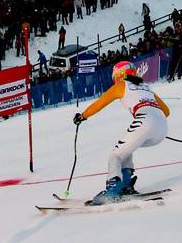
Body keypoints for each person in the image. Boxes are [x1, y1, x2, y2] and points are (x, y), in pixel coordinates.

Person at [73, 60, 171, 205]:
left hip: (145, 121)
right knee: (126, 150)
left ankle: (112, 191)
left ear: (120, 75)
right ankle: (125, 185)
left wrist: (82, 116)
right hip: (162, 127)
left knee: (116, 155)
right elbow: (166, 111)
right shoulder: (146, 87)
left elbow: (100, 103)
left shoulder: (122, 85)